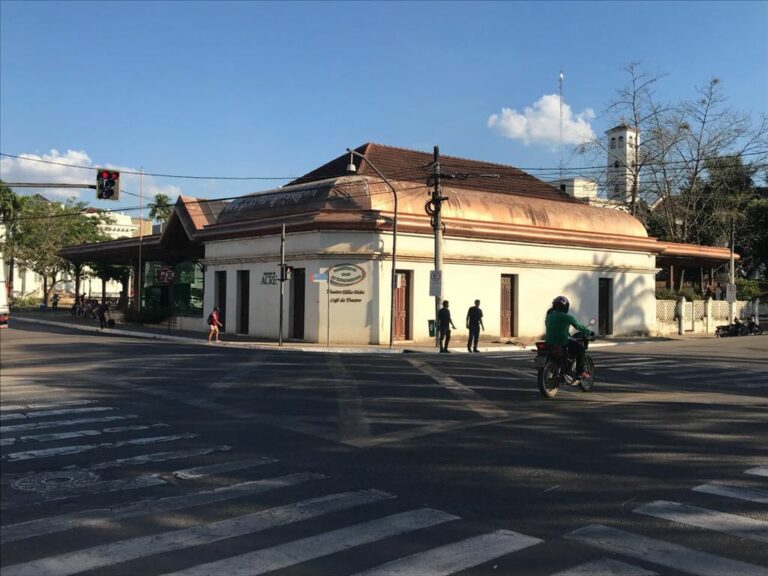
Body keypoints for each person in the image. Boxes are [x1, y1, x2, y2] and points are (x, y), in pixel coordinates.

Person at [544, 295, 593, 380]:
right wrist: (589, 332)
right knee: (581, 348)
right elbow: (579, 326)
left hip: (549, 342)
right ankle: (580, 371)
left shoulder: (549, 316)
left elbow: (555, 329)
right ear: (565, 307)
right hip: (562, 341)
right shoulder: (567, 317)